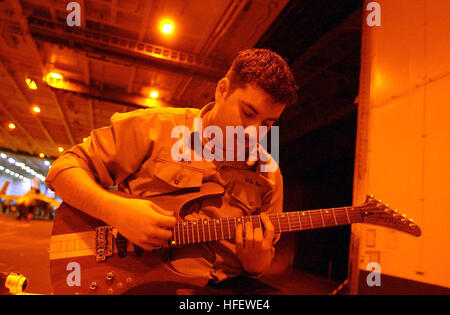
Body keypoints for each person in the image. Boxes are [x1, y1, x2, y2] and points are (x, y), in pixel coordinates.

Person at [45, 48, 298, 284]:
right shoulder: (155, 128)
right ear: (222, 90)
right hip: (136, 278)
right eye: (248, 113)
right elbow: (62, 171)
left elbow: (262, 259)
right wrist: (115, 212)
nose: (254, 132)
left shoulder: (270, 175)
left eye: (267, 123)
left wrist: (255, 261)